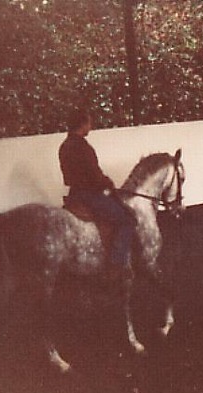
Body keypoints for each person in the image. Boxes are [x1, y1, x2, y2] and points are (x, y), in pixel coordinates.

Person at [59, 108, 135, 279]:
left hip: (73, 195)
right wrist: (108, 184)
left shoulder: (64, 146)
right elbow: (94, 174)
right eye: (89, 123)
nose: (91, 126)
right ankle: (116, 264)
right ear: (83, 124)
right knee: (127, 219)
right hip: (89, 195)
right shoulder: (84, 147)